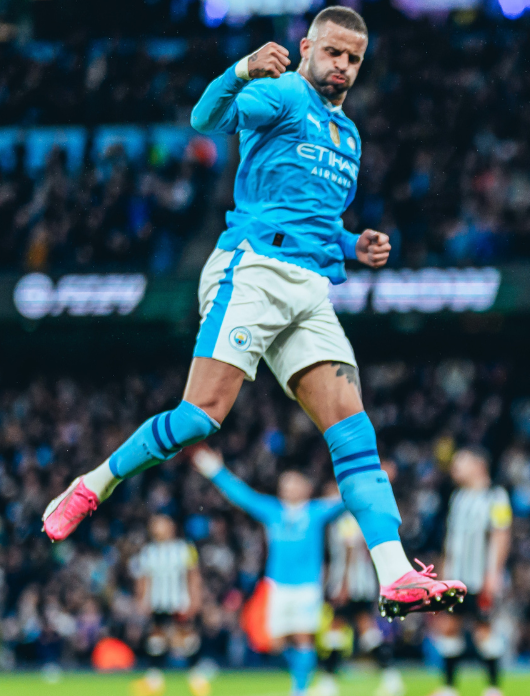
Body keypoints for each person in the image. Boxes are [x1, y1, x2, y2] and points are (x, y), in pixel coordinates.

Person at [40, 5, 464, 618]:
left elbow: (313, 216)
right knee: (198, 419)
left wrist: (353, 244)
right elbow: (204, 117)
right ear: (309, 46)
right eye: (334, 53)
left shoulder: (350, 137)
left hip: (310, 289)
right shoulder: (282, 94)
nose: (342, 66)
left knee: (354, 432)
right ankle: (92, 484)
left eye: (354, 59)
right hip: (253, 270)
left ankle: (395, 572)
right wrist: (241, 68)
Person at [189, 446, 344, 696]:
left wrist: (373, 477)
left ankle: (300, 692)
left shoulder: (317, 511)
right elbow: (242, 496)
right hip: (277, 585)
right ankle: (313, 675)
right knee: (273, 641)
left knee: (303, 637)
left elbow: (347, 501)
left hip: (307, 586)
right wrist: (215, 470)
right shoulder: (272, 511)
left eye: (295, 483)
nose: (289, 487)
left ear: (306, 488)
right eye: (285, 483)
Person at [417, 448, 512, 696]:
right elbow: (451, 542)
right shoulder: (457, 498)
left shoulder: (496, 496)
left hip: (480, 578)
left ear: (479, 464)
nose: (454, 469)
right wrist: (442, 577)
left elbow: (501, 537)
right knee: (447, 628)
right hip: (455, 579)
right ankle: (448, 693)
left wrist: (493, 575)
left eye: (461, 463)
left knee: (483, 631)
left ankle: (493, 692)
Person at [313, 480, 404, 696]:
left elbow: (351, 549)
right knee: (357, 632)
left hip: (352, 583)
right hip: (356, 582)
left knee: (351, 632)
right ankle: (387, 679)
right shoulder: (343, 517)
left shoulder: (345, 517)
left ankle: (331, 684)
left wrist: (343, 584)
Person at [129, 515, 210, 696]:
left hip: (178, 601)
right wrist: (141, 600)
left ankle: (196, 677)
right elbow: (143, 578)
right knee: (156, 640)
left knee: (186, 638)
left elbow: (194, 575)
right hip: (157, 602)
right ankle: (154, 681)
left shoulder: (184, 549)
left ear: (171, 527)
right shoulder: (148, 552)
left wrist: (195, 599)